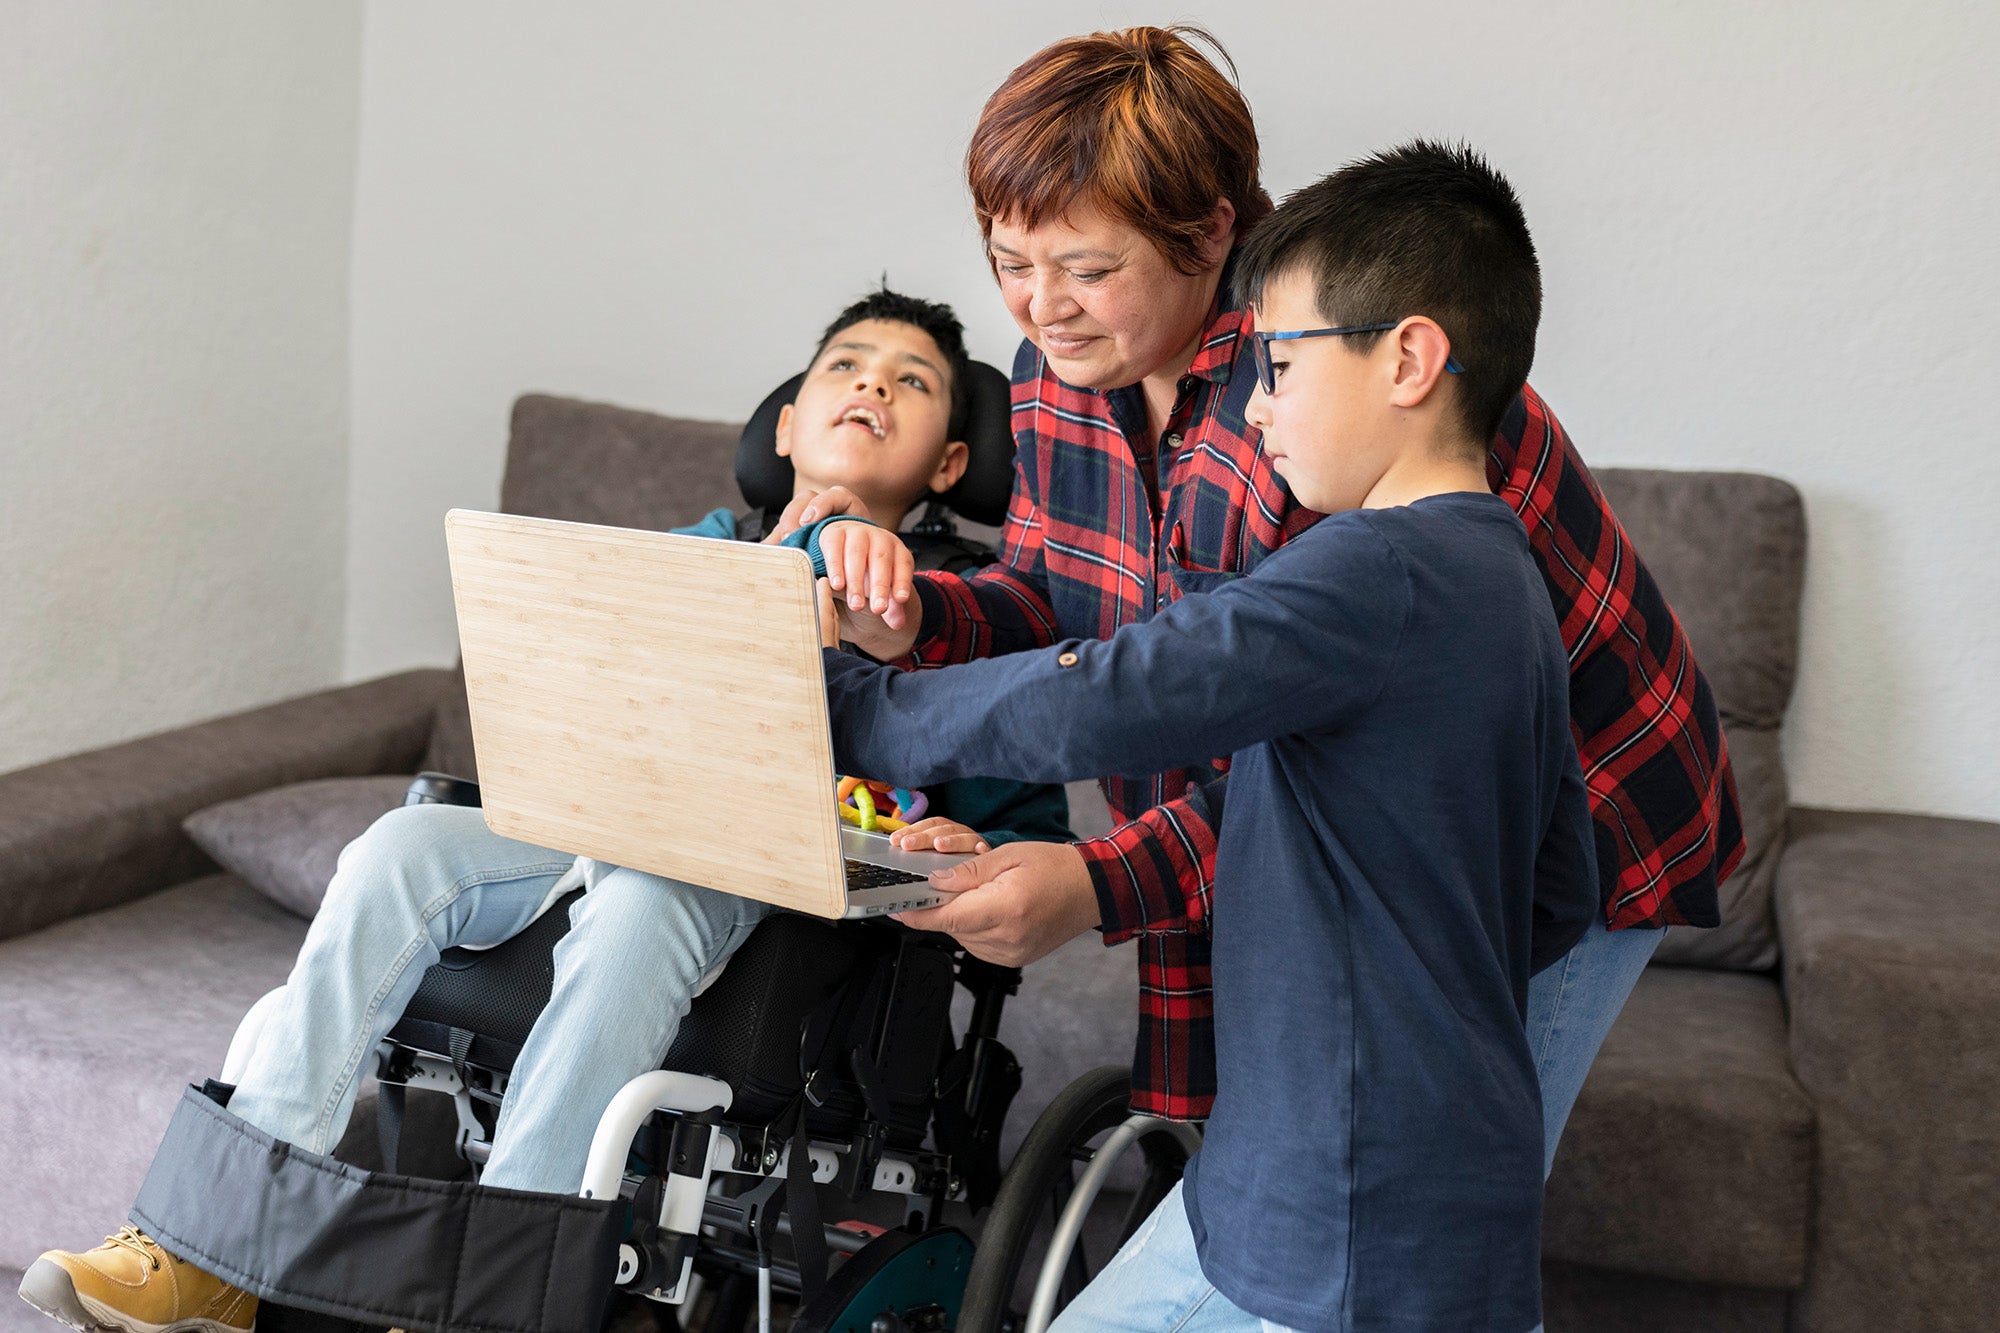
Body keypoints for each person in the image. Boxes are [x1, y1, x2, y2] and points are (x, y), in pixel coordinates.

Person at [17, 290, 1070, 1333]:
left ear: (946, 463)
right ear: (786, 425)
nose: (874, 382)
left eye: (913, 380)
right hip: (599, 826)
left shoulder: (970, 609)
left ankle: (492, 1304)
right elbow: (573, 718)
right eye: (845, 364)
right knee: (400, 847)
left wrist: (958, 841)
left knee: (646, 896)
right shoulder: (692, 549)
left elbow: (1030, 835)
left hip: (781, 884)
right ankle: (213, 1251)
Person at [818, 27, 1743, 1180]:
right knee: (1281, 1211)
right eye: (1010, 260)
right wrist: (915, 623)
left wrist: (1098, 881)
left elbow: (1301, 749)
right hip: (1320, 812)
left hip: (1555, 818)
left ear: (1211, 230)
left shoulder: (1330, 395)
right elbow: (1059, 596)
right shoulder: (1061, 370)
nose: (1041, 309)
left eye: (1089, 269)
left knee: (1424, 1196)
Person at [820, 141, 1598, 1332]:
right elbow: (1555, 880)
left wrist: (854, 707)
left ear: (1408, 359)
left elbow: (1118, 689)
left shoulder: (1363, 574)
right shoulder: (1496, 579)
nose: (1261, 405)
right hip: (1392, 1177)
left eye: (1280, 368)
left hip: (1342, 1199)